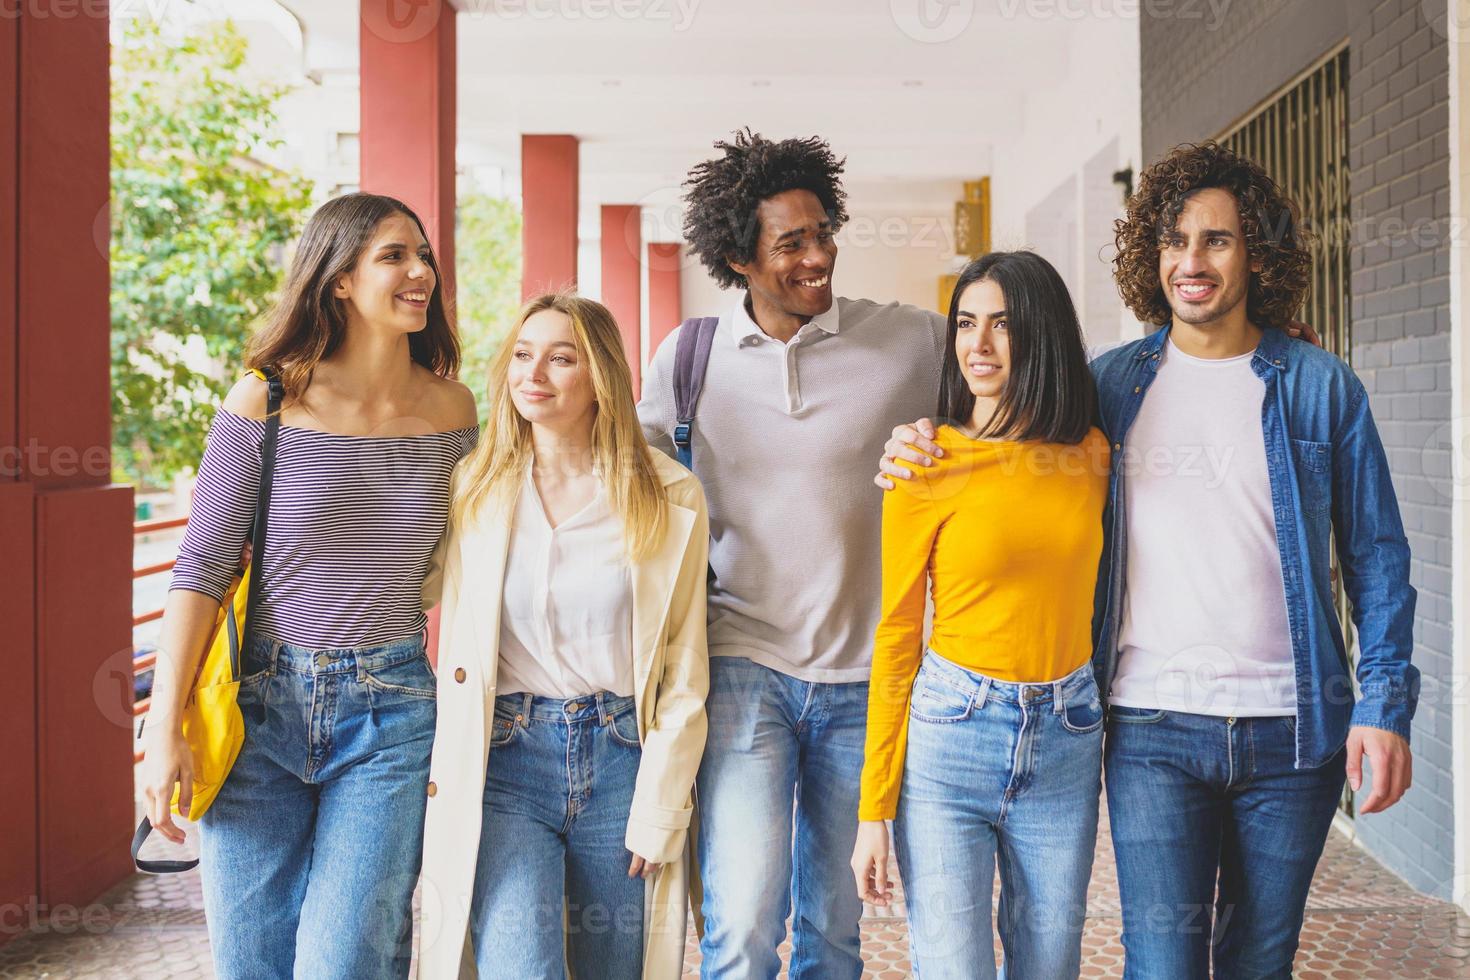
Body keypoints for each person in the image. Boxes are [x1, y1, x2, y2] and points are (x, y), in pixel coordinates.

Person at [877, 141, 1417, 977]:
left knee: (1259, 960)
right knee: (1160, 963)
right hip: (1149, 727)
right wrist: (919, 444)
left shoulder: (1320, 386)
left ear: (1257, 255)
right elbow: (1011, 436)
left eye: (1216, 240)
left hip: (1294, 731)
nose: (1189, 262)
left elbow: (1379, 558)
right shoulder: (1112, 389)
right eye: (1172, 241)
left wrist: (1383, 705)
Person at [137, 192, 478, 978]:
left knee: (344, 963)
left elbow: (472, 565)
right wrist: (162, 733)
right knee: (252, 965)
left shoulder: (453, 411)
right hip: (257, 708)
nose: (420, 271)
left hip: (390, 716)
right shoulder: (267, 397)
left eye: (422, 255)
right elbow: (201, 567)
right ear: (339, 280)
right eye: (394, 256)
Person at [637, 129, 952, 979]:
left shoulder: (915, 343)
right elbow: (630, 495)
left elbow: (1007, 412)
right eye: (791, 243)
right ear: (739, 256)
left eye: (823, 233)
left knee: (835, 928)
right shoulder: (689, 360)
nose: (818, 257)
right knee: (739, 924)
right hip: (744, 668)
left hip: (870, 679)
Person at [417, 293, 710, 979]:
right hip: (506, 762)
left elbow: (684, 667)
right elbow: (404, 579)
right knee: (521, 967)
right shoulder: (474, 488)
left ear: (600, 375)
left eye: (560, 357)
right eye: (522, 355)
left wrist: (662, 802)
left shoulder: (667, 496)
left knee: (617, 967)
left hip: (621, 761)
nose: (533, 373)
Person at [849, 251, 1109, 979]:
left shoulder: (1091, 453)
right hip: (951, 736)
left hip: (1067, 734)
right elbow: (897, 636)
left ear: (1043, 335)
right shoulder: (924, 464)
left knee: (1049, 964)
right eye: (967, 323)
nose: (979, 345)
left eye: (1003, 324)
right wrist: (875, 809)